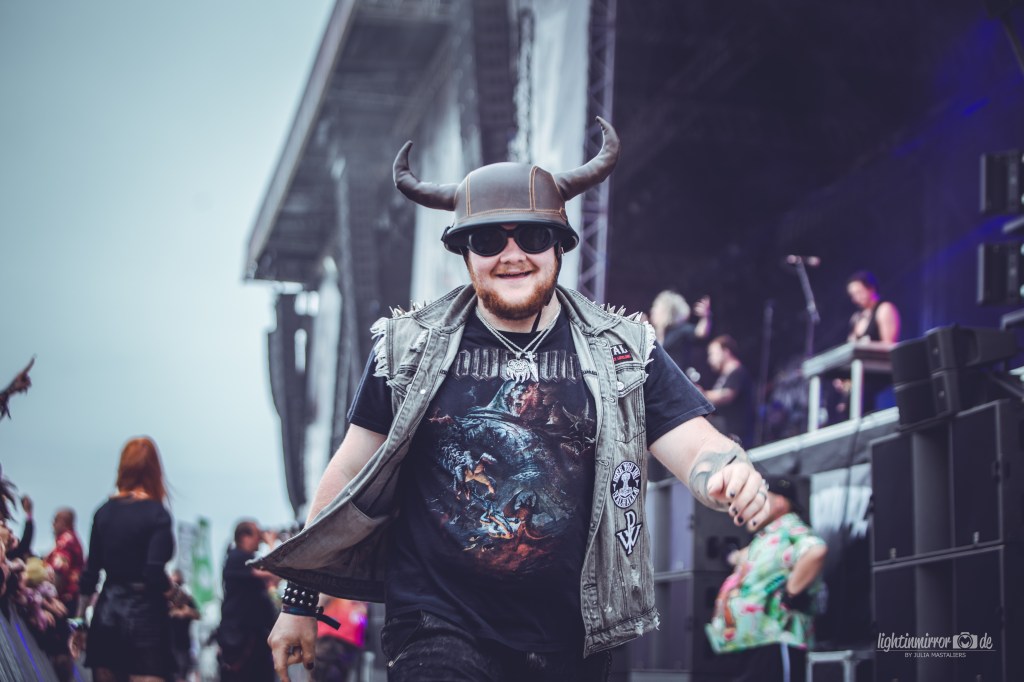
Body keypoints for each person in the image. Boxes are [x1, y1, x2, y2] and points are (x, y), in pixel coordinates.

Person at [259, 116, 770, 682]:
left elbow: (694, 444)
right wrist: (299, 601)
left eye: (531, 237)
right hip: (437, 623)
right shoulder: (408, 348)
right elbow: (349, 471)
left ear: (559, 247)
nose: (511, 254)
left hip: (572, 636)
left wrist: (727, 470)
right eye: (487, 240)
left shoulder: (623, 349)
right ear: (464, 252)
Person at [705, 474, 827, 682]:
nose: (748, 505)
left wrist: (791, 592)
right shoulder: (769, 536)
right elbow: (749, 560)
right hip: (754, 640)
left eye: (758, 499)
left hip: (776, 640)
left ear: (779, 502)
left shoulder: (789, 528)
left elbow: (816, 550)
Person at [76, 436, 176, 682]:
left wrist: (79, 620)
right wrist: (174, 593)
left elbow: (90, 573)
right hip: (146, 621)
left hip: (106, 615)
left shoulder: (103, 512)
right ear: (155, 471)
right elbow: (153, 573)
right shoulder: (157, 514)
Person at [217, 520, 277, 682]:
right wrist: (271, 543)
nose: (260, 539)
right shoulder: (237, 557)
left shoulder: (249, 560)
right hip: (241, 637)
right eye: (257, 534)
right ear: (244, 537)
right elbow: (273, 571)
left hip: (254, 635)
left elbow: (275, 579)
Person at [42, 506, 85, 681]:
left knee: (60, 649)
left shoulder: (66, 540)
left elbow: (58, 572)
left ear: (65, 522)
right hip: (70, 601)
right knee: (63, 649)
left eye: (55, 520)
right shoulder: (74, 540)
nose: (52, 523)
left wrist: (48, 598)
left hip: (63, 602)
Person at [703, 335, 756, 448]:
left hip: (739, 438)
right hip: (727, 437)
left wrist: (702, 394)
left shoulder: (737, 371)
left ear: (726, 352)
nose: (710, 359)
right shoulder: (724, 376)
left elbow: (728, 395)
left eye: (713, 354)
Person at [648, 290, 711, 377]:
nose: (652, 311)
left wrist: (705, 317)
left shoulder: (679, 330)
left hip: (676, 378)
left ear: (666, 311)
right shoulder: (653, 333)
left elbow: (700, 332)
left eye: (656, 307)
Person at [314, 597, 367, 682]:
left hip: (350, 641)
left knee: (339, 674)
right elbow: (320, 601)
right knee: (321, 673)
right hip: (330, 637)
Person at [845, 270, 899, 344]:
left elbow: (889, 344)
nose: (856, 298)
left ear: (871, 289)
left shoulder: (884, 309)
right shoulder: (856, 317)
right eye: (853, 295)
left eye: (859, 292)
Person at [168, 569, 200, 682]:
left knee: (181, 675)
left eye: (178, 583)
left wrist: (187, 612)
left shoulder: (186, 599)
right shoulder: (166, 600)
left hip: (183, 646)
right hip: (169, 645)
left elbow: (198, 615)